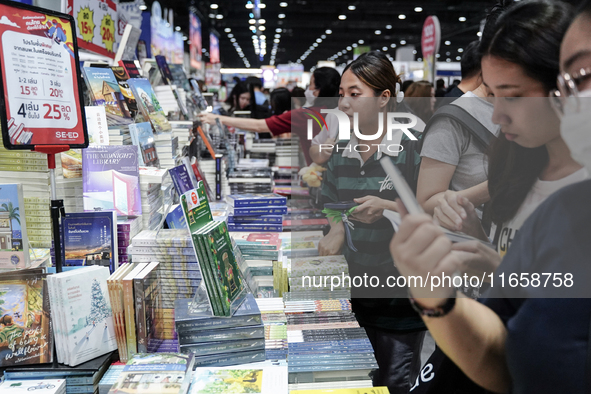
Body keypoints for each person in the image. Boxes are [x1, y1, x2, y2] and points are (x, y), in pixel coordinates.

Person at [390, 1, 591, 393]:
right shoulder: (520, 172)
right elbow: (505, 344)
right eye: (492, 94)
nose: (497, 115)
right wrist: (439, 289)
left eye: (512, 96)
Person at [318, 51, 424, 394]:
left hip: (401, 300)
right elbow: (331, 205)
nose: (345, 103)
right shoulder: (341, 149)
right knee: (358, 382)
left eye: (355, 94)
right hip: (353, 296)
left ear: (383, 99)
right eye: (342, 93)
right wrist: (336, 227)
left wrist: (389, 206)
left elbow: (431, 213)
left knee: (395, 383)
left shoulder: (411, 148)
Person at [199, 67, 341, 165]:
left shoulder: (305, 116)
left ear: (318, 90)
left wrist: (218, 119)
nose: (307, 90)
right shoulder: (341, 112)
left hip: (319, 179)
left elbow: (259, 126)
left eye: (310, 85)